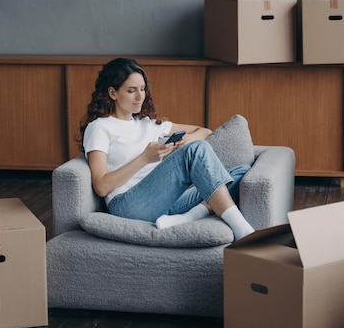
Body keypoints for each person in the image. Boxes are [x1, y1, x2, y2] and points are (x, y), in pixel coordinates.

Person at [78, 57, 255, 240]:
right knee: (197, 150)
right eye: (131, 91)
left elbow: (204, 131)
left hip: (164, 201)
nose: (140, 97)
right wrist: (144, 158)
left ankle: (189, 216)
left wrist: (185, 142)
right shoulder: (99, 127)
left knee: (241, 172)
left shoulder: (148, 124)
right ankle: (244, 232)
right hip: (127, 204)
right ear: (113, 93)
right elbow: (101, 186)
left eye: (142, 89)